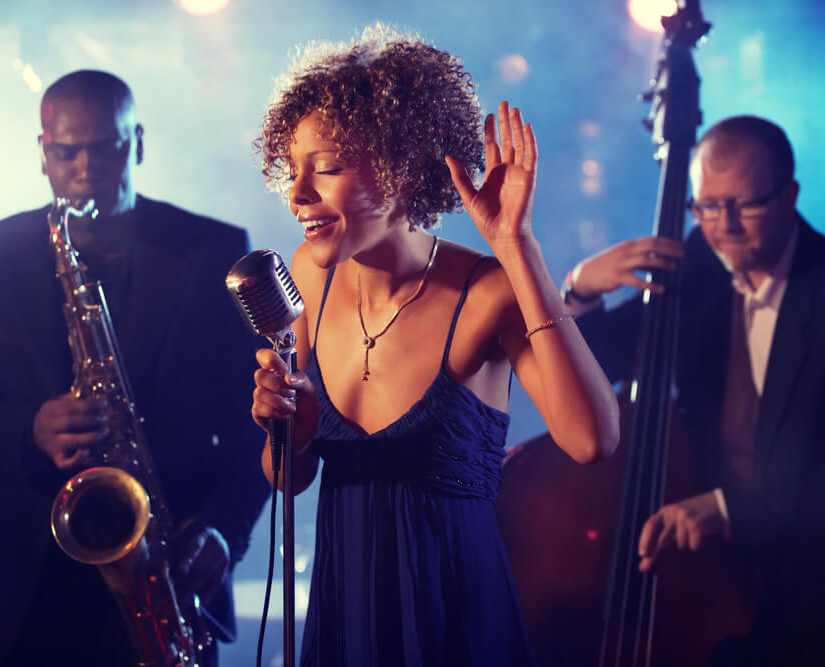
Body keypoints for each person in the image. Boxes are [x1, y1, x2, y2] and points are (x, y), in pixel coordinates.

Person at [250, 25, 621, 666]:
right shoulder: (308, 278)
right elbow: (290, 479)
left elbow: (593, 440)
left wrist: (517, 249)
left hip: (458, 622)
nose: (298, 194)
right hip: (345, 619)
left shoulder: (487, 292)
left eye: (328, 168)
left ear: (401, 169)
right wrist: (291, 431)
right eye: (293, 169)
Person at [0, 70, 270, 667]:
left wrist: (221, 527)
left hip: (169, 569)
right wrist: (29, 428)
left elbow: (257, 422)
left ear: (137, 142)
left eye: (105, 147)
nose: (86, 167)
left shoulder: (213, 249)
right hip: (23, 591)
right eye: (66, 150)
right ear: (42, 152)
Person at [562, 115, 825, 665]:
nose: (723, 225)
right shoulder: (701, 260)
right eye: (706, 206)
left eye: (743, 205)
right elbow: (594, 368)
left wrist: (727, 509)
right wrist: (580, 290)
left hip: (818, 586)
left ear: (790, 196)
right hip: (706, 573)